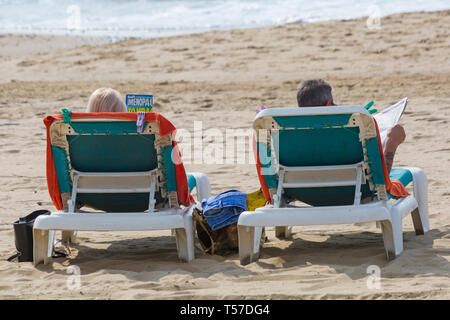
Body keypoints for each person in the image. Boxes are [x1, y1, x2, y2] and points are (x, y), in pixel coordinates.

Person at [296, 79, 406, 173]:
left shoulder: (291, 132)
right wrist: (391, 142)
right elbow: (378, 175)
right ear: (329, 104)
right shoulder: (349, 132)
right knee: (395, 133)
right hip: (354, 190)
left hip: (301, 190)